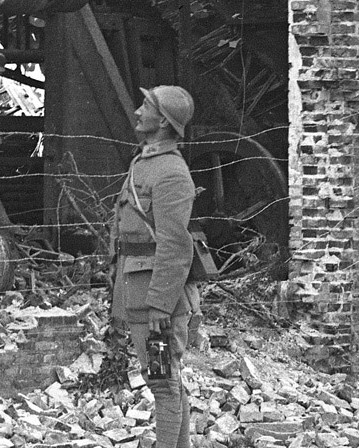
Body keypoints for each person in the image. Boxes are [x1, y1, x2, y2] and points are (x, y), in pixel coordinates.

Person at [110, 85, 199, 448]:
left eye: (144, 105)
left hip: (157, 297)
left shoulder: (171, 172)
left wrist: (161, 304)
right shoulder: (145, 162)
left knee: (163, 381)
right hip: (138, 287)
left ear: (163, 120)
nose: (136, 111)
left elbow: (176, 244)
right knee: (166, 379)